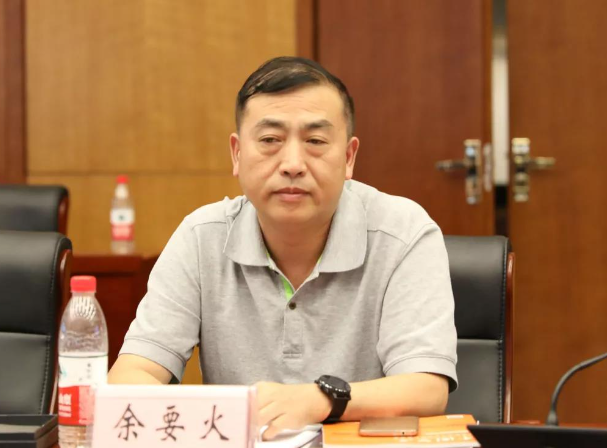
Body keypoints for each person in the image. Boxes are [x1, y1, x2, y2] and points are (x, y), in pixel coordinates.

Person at [108, 56, 457, 439]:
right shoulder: (201, 237)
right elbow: (132, 374)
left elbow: (426, 388)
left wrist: (318, 399)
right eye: (270, 140)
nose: (292, 164)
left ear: (348, 157)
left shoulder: (404, 233)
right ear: (237, 154)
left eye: (315, 141)